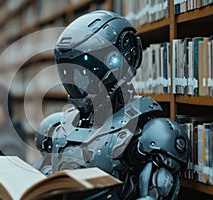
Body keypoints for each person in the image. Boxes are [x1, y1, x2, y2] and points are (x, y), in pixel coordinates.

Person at [35, 10, 190, 200]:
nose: (78, 80)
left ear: (120, 63)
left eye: (87, 67)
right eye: (69, 70)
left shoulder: (151, 133)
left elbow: (155, 195)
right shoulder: (57, 128)